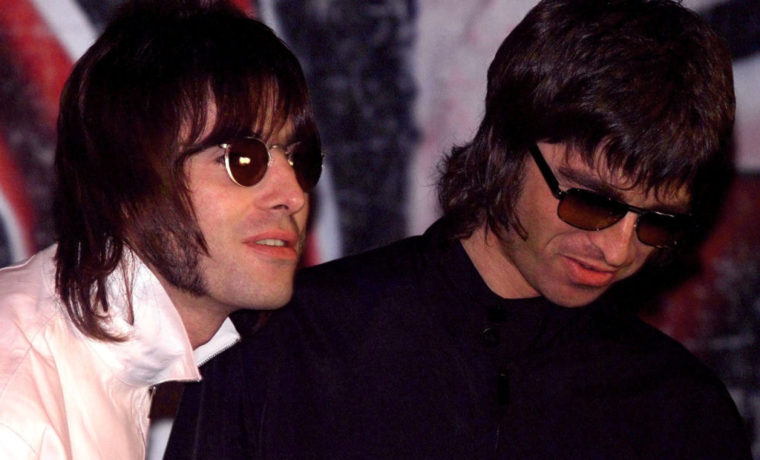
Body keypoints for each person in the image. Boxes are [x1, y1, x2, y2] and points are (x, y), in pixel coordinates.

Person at [166, 0, 752, 458]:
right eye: (591, 202)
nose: (618, 247)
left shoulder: (680, 411)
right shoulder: (287, 348)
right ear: (506, 146)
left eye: (656, 222)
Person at [0, 0, 321, 458]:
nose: (293, 193)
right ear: (130, 176)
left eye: (298, 158)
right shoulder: (18, 411)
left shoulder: (97, 360)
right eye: (244, 160)